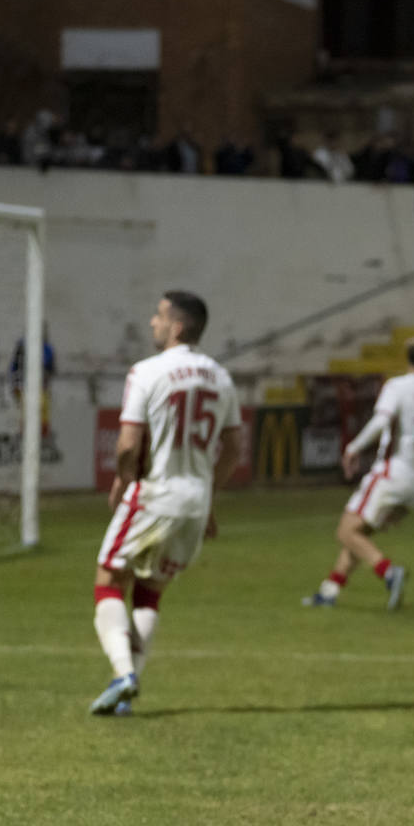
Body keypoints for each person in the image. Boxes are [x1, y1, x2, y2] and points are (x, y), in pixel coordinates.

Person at [89, 292, 243, 715]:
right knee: (150, 590)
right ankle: (125, 691)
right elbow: (234, 446)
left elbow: (128, 442)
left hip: (156, 491)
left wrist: (123, 477)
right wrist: (210, 493)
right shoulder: (220, 377)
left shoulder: (147, 371)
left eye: (158, 316)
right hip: (194, 499)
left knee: (109, 579)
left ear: (176, 326)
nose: (152, 322)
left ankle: (124, 674)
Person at [305, 339, 414, 610]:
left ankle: (389, 572)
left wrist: (353, 448)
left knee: (346, 532)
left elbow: (380, 421)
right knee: (359, 534)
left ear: (408, 358)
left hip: (393, 471)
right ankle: (329, 591)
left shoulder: (398, 387)